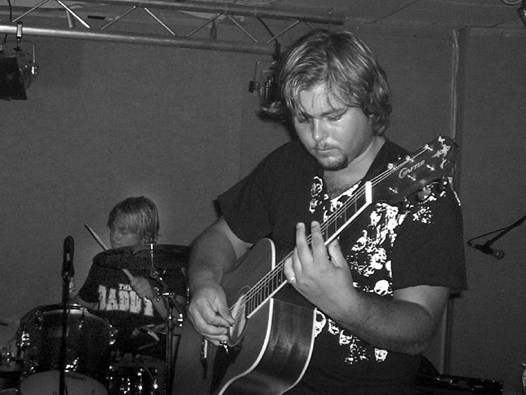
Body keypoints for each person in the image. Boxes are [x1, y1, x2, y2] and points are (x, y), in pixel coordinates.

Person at [183, 29, 467, 395]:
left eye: (333, 116)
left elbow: (420, 328)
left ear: (370, 104)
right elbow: (220, 238)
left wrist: (344, 303)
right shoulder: (286, 166)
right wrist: (204, 283)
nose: (317, 136)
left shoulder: (424, 194)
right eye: (304, 119)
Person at [74, 196, 187, 358]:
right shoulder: (104, 264)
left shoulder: (168, 267)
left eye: (123, 231)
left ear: (145, 235)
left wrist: (154, 294)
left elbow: (181, 321)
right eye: (113, 229)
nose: (114, 236)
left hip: (150, 358)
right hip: (107, 356)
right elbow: (82, 304)